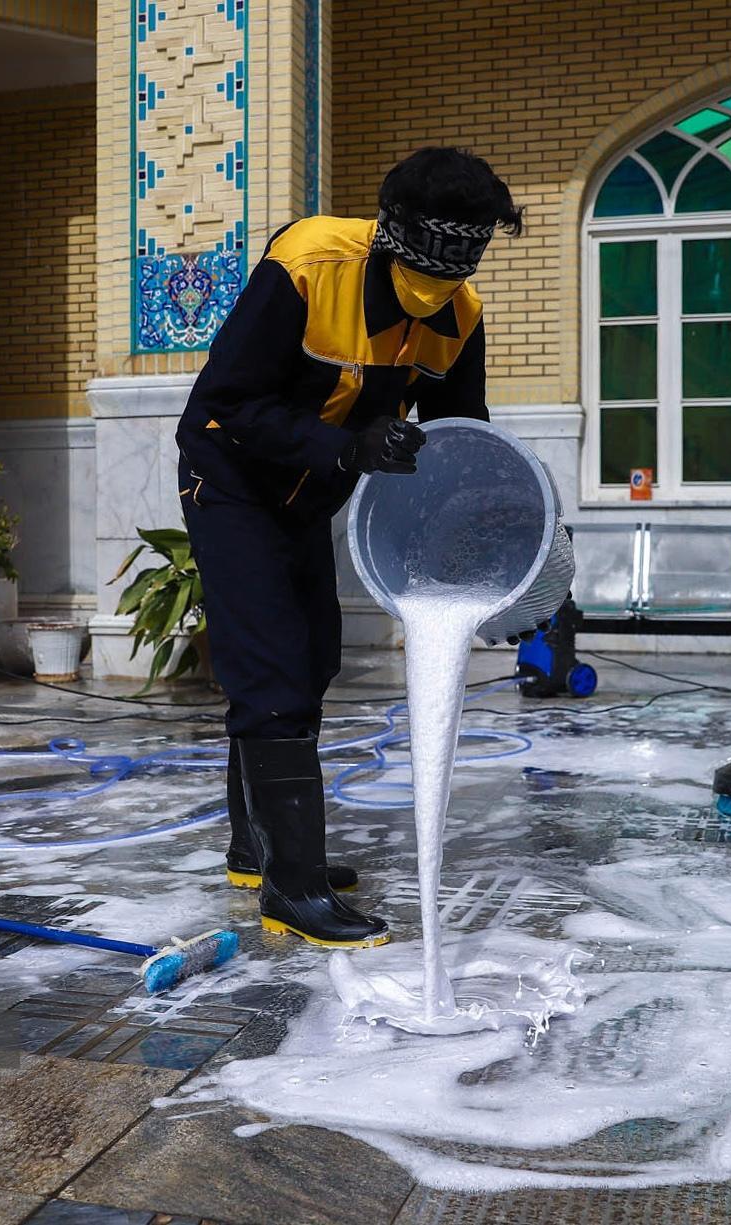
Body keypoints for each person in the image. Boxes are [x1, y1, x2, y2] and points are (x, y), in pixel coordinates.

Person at [176, 147, 523, 948]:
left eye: (455, 274)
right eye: (425, 275)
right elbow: (225, 399)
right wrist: (346, 445)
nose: (437, 295)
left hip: (310, 494)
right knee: (269, 671)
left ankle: (254, 846)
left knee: (312, 661)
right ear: (391, 233)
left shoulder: (460, 313)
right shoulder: (306, 264)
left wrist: (500, 521)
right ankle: (290, 890)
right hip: (232, 478)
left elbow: (459, 432)